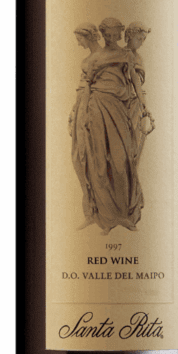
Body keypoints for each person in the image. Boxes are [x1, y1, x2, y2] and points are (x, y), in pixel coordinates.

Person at [81, 17, 144, 235]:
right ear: (102, 34)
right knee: (99, 161)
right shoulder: (95, 57)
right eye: (106, 34)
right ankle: (106, 217)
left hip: (119, 109)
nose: (110, 37)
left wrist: (145, 106)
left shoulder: (126, 55)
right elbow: (87, 86)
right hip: (97, 107)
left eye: (114, 34)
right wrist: (83, 113)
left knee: (121, 161)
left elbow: (135, 81)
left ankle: (124, 215)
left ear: (119, 34)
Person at [68, 23, 101, 230]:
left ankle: (101, 213)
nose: (78, 43)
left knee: (94, 160)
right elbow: (81, 90)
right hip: (81, 110)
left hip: (94, 113)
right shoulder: (86, 60)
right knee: (79, 159)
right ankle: (90, 212)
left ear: (88, 37)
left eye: (79, 39)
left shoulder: (103, 58)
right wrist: (74, 113)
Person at [124, 22, 154, 169]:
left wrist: (143, 105)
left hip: (136, 102)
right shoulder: (119, 54)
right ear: (130, 36)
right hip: (120, 101)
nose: (141, 43)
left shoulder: (138, 58)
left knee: (136, 142)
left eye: (143, 40)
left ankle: (132, 175)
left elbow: (137, 82)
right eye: (139, 39)